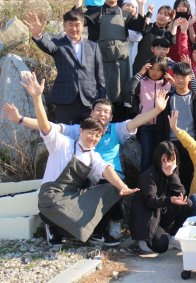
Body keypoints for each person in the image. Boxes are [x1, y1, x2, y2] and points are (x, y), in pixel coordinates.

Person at [6, 89, 170, 241]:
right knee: (85, 186)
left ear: (111, 117)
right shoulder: (77, 130)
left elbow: (136, 121)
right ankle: (62, 225)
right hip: (81, 176)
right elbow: (48, 126)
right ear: (91, 113)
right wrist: (21, 119)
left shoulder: (116, 129)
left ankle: (104, 226)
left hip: (110, 175)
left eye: (106, 112)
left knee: (110, 185)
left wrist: (157, 110)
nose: (102, 114)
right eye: (98, 110)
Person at [21, 72, 138, 247]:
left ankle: (83, 231)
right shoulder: (61, 143)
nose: (93, 137)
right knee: (68, 217)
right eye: (89, 132)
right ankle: (52, 226)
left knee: (108, 189)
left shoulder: (92, 155)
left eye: (97, 135)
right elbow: (45, 125)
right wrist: (37, 98)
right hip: (51, 197)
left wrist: (123, 188)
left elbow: (107, 169)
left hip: (70, 198)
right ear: (80, 131)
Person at [71, 0, 146, 120]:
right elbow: (77, 21)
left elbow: (140, 28)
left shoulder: (125, 13)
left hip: (122, 63)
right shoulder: (95, 12)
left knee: (122, 95)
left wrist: (140, 8)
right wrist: (79, 2)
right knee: (103, 94)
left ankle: (120, 125)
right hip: (101, 61)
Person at [24, 10, 105, 124]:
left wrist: (101, 99)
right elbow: (48, 46)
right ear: (64, 27)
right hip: (65, 99)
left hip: (90, 99)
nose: (74, 28)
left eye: (77, 25)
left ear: (83, 26)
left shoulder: (93, 46)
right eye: (70, 25)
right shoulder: (58, 44)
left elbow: (100, 74)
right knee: (65, 134)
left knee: (90, 134)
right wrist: (38, 35)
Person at [129, 141, 193, 254]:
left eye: (171, 159)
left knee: (187, 203)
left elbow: (181, 192)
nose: (167, 162)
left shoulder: (172, 172)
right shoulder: (149, 175)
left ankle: (173, 236)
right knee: (161, 246)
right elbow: (150, 201)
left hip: (161, 214)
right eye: (164, 159)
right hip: (148, 217)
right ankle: (144, 239)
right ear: (158, 157)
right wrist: (169, 199)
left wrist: (172, 175)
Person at [154, 61, 196, 190]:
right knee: (173, 174)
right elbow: (161, 122)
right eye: (177, 77)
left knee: (190, 173)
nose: (180, 80)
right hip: (173, 142)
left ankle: (189, 202)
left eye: (183, 77)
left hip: (192, 141)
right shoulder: (168, 97)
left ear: (190, 77)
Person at [123, 56, 172, 172]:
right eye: (152, 69)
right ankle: (143, 185)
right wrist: (140, 73)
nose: (154, 72)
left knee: (162, 157)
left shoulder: (167, 85)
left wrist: (174, 84)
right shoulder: (142, 82)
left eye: (159, 70)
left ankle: (159, 184)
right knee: (146, 156)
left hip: (162, 126)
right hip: (145, 125)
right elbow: (128, 90)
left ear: (164, 71)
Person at [133, 5, 175, 74]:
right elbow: (143, 23)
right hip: (140, 66)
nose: (161, 16)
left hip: (157, 70)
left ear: (170, 19)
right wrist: (148, 12)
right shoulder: (149, 26)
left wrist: (175, 24)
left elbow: (172, 41)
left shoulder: (167, 34)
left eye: (165, 15)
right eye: (160, 13)